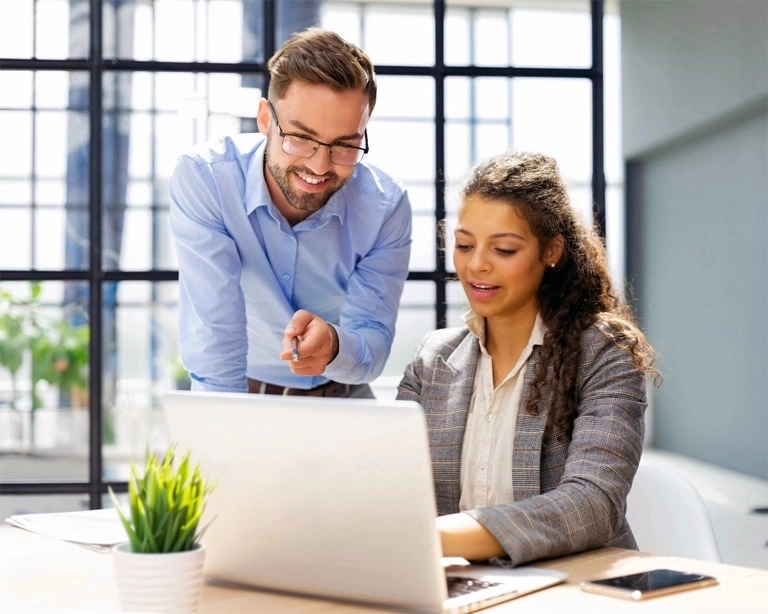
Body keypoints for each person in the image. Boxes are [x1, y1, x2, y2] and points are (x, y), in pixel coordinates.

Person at [397, 150, 659, 567]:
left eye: (503, 249)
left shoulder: (602, 353)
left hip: (573, 587)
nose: (476, 265)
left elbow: (591, 504)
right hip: (458, 586)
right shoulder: (433, 361)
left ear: (550, 251)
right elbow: (393, 485)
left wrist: (429, 536)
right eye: (464, 245)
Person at [169, 27, 412, 398]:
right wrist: (221, 433)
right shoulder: (207, 180)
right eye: (300, 138)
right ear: (265, 120)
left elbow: (373, 343)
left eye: (345, 146)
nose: (319, 166)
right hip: (239, 393)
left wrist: (335, 346)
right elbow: (215, 331)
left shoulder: (385, 207)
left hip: (341, 398)